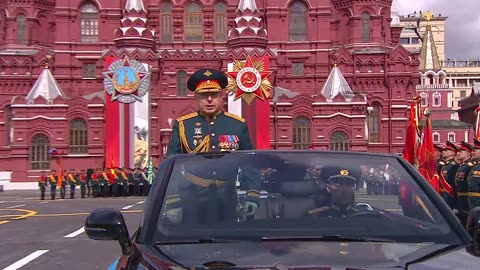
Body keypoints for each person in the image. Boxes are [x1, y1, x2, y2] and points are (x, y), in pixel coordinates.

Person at [166, 68, 259, 218]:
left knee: (227, 239)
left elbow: (249, 163)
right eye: (204, 95)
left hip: (227, 198)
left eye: (214, 95)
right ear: (196, 97)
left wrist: (252, 196)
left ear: (221, 96)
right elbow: (171, 166)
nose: (209, 99)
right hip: (191, 197)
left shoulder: (236, 124)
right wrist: (172, 202)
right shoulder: (183, 125)